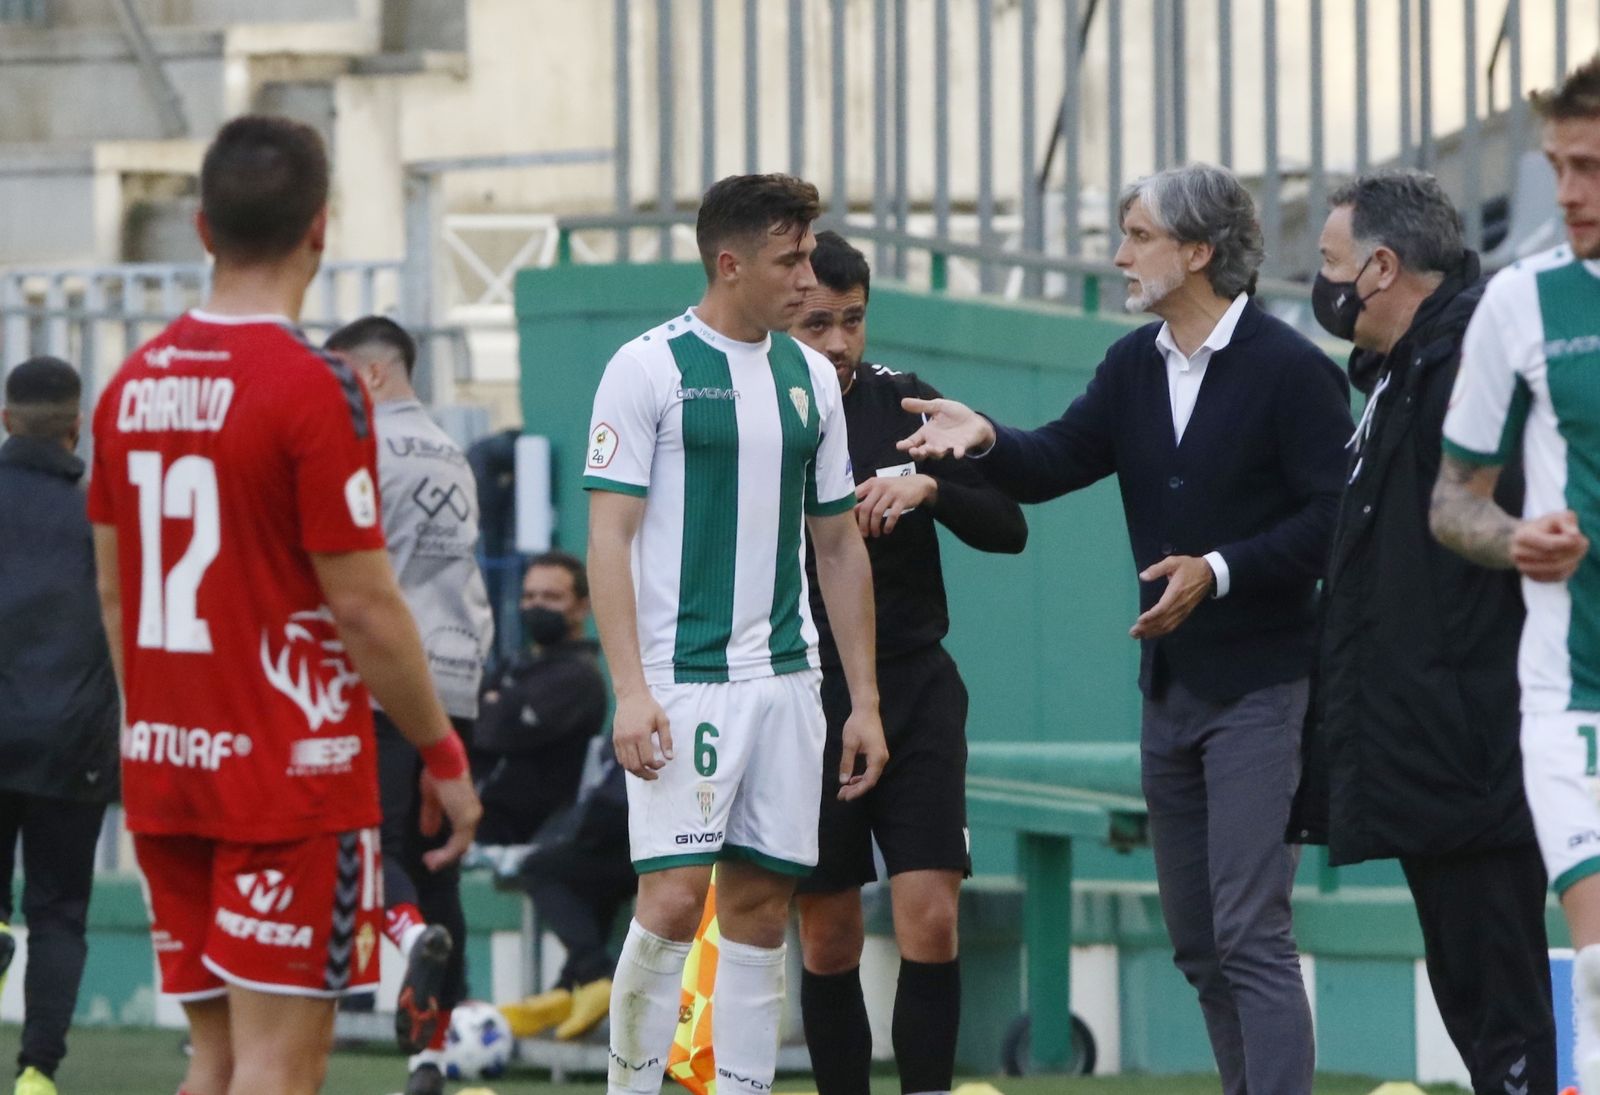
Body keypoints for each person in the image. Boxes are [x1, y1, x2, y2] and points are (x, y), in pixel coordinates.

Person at [900, 163, 1352, 1095]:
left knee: (1250, 933)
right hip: (1171, 690)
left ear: (1198, 250)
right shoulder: (1130, 365)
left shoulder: (1292, 370)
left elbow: (1331, 520)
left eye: (1137, 234)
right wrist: (981, 435)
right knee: (1198, 941)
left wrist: (1217, 570)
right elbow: (1056, 458)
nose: (1119, 254)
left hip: (1265, 687)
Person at [87, 115, 481, 1095]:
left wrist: (161, 727)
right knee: (276, 1065)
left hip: (168, 767)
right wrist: (442, 753)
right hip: (288, 778)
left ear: (202, 227)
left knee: (214, 1060)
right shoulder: (316, 388)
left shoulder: (129, 384)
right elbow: (366, 607)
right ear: (321, 226)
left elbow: (113, 588)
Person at [584, 172, 887, 1095]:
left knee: (762, 907)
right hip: (685, 681)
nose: (808, 279)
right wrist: (630, 689)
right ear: (730, 263)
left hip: (790, 683)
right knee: (674, 900)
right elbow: (609, 537)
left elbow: (837, 543)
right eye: (789, 260)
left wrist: (862, 699)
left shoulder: (809, 380)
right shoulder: (648, 367)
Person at [1291, 170, 1555, 1095]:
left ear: (1383, 266)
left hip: (1470, 742)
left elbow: (1518, 537)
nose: (1317, 285)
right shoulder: (1401, 377)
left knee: (1501, 1003)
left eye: (1329, 263)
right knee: (1476, 998)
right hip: (1427, 744)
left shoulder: (1472, 367)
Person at [786, 231, 1027, 1095]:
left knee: (930, 914)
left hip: (917, 682)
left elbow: (1010, 526)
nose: (840, 342)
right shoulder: (760, 408)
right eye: (819, 323)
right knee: (829, 930)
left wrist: (934, 487)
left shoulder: (907, 404)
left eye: (852, 319)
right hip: (806, 691)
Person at [1432, 56, 1600, 1095]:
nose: (1566, 192)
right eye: (1556, 166)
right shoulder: (1518, 304)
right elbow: (1452, 501)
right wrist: (1513, 541)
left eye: (1588, 168)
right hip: (1569, 694)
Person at [326, 316, 494, 1095]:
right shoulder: (453, 454)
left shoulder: (361, 449)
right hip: (458, 667)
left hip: (389, 672)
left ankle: (408, 935)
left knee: (375, 839)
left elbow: (348, 576)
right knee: (441, 859)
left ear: (372, 376)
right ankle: (436, 1054)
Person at [0, 357, 121, 1095]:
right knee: (61, 910)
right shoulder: (103, 509)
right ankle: (39, 1069)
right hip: (74, 735)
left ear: (5, 419)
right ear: (78, 426)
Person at [472, 552, 608, 846]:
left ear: (582, 606)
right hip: (473, 816)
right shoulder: (516, 663)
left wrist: (495, 705)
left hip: (524, 834)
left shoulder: (579, 677)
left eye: (551, 597)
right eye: (530, 596)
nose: (537, 606)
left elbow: (492, 731)